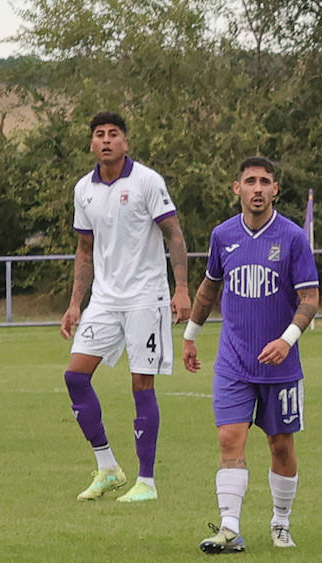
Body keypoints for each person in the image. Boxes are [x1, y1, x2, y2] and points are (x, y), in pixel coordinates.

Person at [182, 157, 319, 553]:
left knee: (280, 445)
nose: (257, 188)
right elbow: (209, 288)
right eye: (250, 181)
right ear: (236, 188)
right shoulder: (223, 236)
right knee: (230, 438)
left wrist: (287, 339)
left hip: (281, 366)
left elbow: (310, 298)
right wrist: (191, 335)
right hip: (234, 361)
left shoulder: (292, 238)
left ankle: (280, 521)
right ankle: (229, 528)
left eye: (265, 182)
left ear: (275, 189)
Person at [62, 111, 191, 504]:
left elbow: (174, 234)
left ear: (125, 142)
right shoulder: (84, 188)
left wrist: (181, 287)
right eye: (99, 135)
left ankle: (146, 482)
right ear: (91, 144)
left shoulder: (147, 181)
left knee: (141, 385)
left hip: (144, 298)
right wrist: (74, 304)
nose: (106, 140)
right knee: (75, 378)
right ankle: (108, 468)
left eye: (113, 134)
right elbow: (85, 250)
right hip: (104, 299)